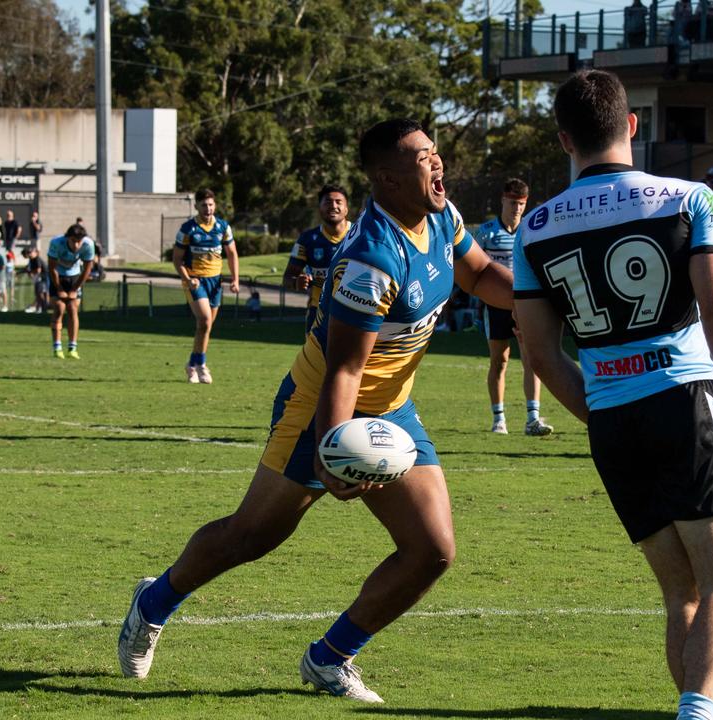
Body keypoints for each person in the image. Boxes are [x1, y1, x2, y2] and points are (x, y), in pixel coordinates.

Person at [118, 118, 515, 703]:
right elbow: (344, 369)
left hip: (394, 409)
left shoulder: (443, 215)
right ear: (386, 178)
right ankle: (153, 603)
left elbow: (479, 274)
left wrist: (542, 301)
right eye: (424, 158)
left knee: (433, 550)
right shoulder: (371, 260)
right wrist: (333, 453)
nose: (438, 165)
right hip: (320, 406)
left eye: (436, 154)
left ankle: (330, 659)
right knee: (251, 537)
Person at [513, 70, 713, 720]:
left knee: (683, 595)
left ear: (565, 137)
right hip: (686, 404)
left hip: (612, 421)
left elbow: (541, 354)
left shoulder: (535, 227)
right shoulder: (687, 198)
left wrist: (603, 405)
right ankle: (696, 712)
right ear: (632, 125)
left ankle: (709, 711)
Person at [473, 178, 552, 436]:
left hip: (526, 305)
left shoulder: (531, 230)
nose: (517, 208)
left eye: (521, 204)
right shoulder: (486, 232)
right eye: (512, 203)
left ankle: (533, 418)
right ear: (503, 200)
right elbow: (475, 269)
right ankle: (499, 419)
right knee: (500, 360)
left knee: (531, 358)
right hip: (496, 305)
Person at [174, 189, 240, 384]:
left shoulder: (223, 227)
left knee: (206, 327)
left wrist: (235, 279)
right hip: (195, 280)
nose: (208, 208)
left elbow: (232, 254)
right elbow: (177, 259)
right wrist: (187, 278)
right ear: (196, 206)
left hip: (215, 281)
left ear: (215, 205)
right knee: (204, 320)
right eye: (204, 205)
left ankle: (192, 365)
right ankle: (202, 366)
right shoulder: (188, 229)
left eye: (211, 204)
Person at [283, 186, 351, 330]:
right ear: (319, 208)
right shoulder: (307, 239)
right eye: (328, 202)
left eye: (338, 202)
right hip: (319, 311)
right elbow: (287, 277)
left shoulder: (362, 236)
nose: (333, 206)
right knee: (316, 353)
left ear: (346, 208)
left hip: (354, 312)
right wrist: (297, 283)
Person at [48, 224, 95, 359]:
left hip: (74, 277)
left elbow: (87, 270)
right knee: (59, 308)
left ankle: (72, 348)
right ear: (68, 238)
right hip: (57, 276)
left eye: (79, 242)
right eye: (73, 241)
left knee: (73, 308)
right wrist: (59, 289)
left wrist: (75, 289)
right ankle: (57, 347)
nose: (76, 245)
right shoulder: (56, 243)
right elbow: (52, 268)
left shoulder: (88, 244)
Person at [25, 246, 49, 314]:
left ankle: (43, 308)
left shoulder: (37, 259)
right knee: (38, 294)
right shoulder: (32, 260)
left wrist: (31, 273)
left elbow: (38, 270)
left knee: (40, 294)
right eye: (28, 253)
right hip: (39, 279)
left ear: (35, 253)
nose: (29, 254)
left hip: (42, 278)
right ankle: (39, 308)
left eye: (30, 252)